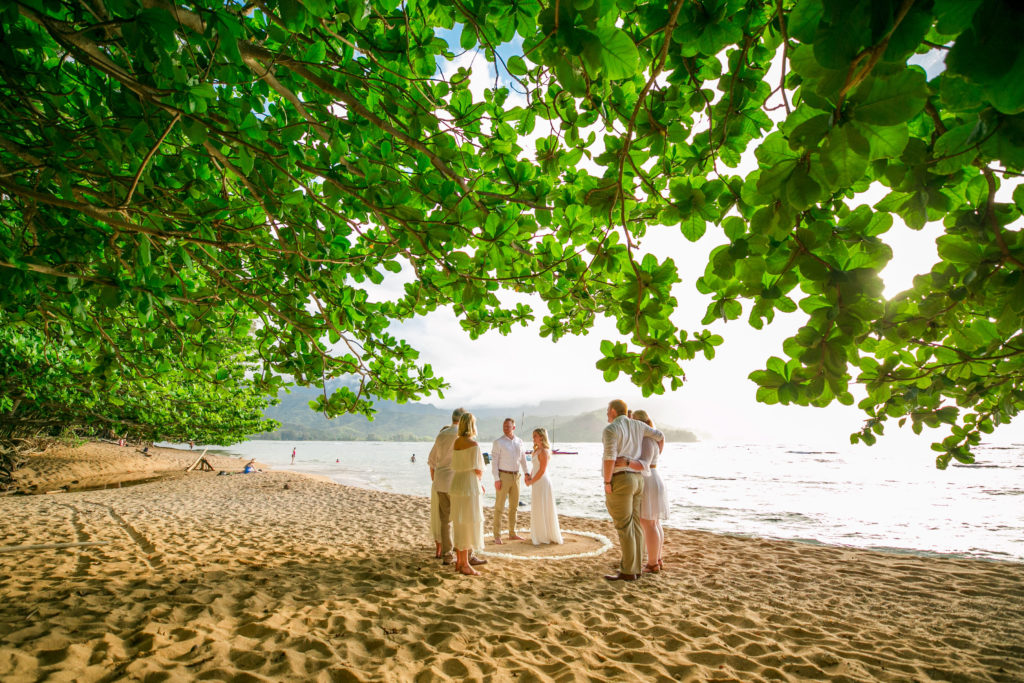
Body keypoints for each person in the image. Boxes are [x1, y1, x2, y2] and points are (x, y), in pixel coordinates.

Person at [601, 399, 664, 581]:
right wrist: (658, 456)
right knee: (635, 524)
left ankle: (628, 570)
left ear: (613, 411)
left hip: (621, 479)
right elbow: (659, 435)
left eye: (607, 410)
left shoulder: (611, 429)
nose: (607, 414)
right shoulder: (638, 425)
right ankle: (635, 568)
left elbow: (610, 457)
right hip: (638, 480)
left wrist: (607, 481)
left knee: (624, 525)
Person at [429, 408, 486, 568]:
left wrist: (434, 479)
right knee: (465, 518)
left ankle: (448, 555)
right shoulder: (465, 439)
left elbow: (432, 460)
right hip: (460, 483)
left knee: (445, 520)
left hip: (441, 481)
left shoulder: (441, 435)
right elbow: (477, 467)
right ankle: (469, 555)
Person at [631, 410, 668, 573]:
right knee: (654, 522)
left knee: (648, 522)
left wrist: (624, 462)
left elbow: (643, 463)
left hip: (648, 479)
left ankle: (652, 563)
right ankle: (657, 559)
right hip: (654, 477)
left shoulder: (645, 439)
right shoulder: (654, 439)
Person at [449, 413, 486, 575]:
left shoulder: (456, 442)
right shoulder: (474, 444)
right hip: (469, 483)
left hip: (457, 482)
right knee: (469, 521)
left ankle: (460, 561)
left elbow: (455, 464)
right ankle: (464, 565)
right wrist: (480, 483)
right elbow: (479, 469)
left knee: (459, 521)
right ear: (472, 425)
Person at [491, 418, 528, 544]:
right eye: (504, 426)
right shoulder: (498, 442)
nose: (506, 428)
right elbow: (494, 462)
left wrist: (527, 473)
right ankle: (497, 535)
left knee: (514, 507)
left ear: (514, 427)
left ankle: (512, 533)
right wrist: (496, 479)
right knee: (499, 507)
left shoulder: (520, 442)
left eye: (508, 426)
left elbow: (523, 459)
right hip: (503, 476)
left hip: (516, 476)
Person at [525, 428, 562, 545]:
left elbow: (542, 470)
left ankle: (545, 535)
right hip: (536, 481)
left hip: (542, 481)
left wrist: (532, 481)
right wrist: (529, 477)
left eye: (535, 435)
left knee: (543, 506)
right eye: (533, 435)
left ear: (541, 437)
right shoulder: (536, 450)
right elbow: (534, 467)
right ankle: (539, 534)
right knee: (537, 506)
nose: (533, 438)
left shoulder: (544, 451)